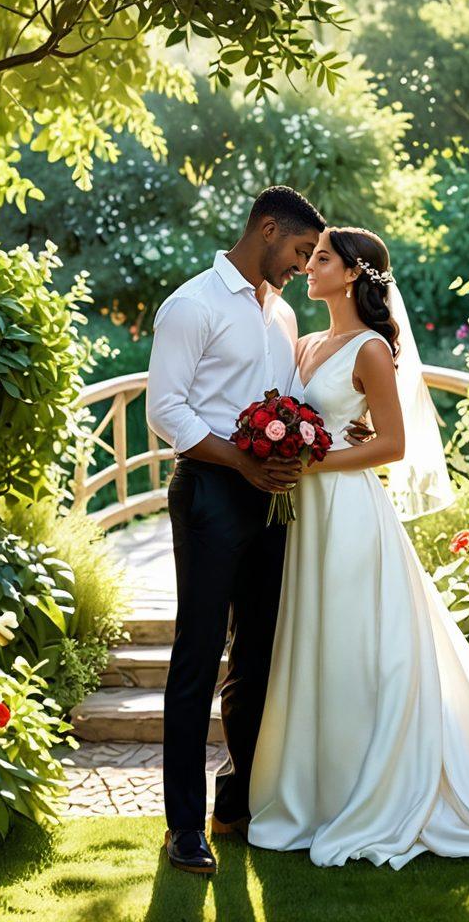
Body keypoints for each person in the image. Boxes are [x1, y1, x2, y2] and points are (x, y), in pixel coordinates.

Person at [247, 226, 469, 869]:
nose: (309, 268)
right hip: (303, 515)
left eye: (320, 259)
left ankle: (372, 789)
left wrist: (312, 458)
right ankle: (315, 791)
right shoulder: (301, 344)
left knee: (354, 643)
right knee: (313, 641)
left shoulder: (371, 350)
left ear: (352, 273)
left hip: (348, 512)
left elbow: (391, 446)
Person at [145, 187, 369, 874]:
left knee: (260, 656)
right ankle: (184, 828)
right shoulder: (192, 305)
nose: (305, 266)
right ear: (267, 231)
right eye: (302, 251)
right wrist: (240, 461)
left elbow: (294, 403)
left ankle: (236, 800)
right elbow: (165, 410)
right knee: (198, 656)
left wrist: (338, 431)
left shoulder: (281, 314)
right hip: (212, 491)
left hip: (272, 500)